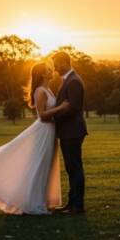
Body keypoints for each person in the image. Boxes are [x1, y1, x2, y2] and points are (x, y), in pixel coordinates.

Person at [0, 61, 69, 215]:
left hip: (50, 132)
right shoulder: (40, 91)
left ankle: (40, 201)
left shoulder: (48, 90)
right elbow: (42, 116)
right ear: (42, 74)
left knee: (45, 166)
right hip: (44, 131)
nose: (52, 71)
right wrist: (61, 108)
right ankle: (32, 204)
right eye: (49, 69)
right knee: (39, 165)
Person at [51, 50, 88, 214]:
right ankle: (71, 203)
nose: (54, 67)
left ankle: (77, 206)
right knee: (71, 168)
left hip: (72, 131)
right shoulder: (69, 79)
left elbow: (72, 108)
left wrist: (54, 118)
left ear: (64, 62)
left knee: (74, 168)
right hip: (69, 131)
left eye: (56, 63)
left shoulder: (73, 81)